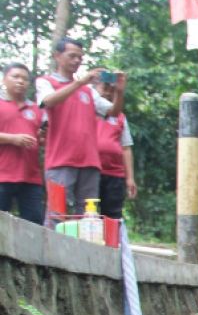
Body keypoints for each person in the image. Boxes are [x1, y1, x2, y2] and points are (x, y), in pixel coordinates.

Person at [36, 37, 124, 215]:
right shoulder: (46, 82)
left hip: (90, 162)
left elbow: (113, 112)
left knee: (86, 216)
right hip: (60, 161)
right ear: (57, 56)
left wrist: (120, 92)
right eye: (72, 56)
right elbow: (47, 101)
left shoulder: (88, 91)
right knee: (57, 213)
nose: (77, 61)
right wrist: (79, 83)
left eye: (80, 57)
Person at [0, 63, 47, 225]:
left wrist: (41, 139)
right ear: (4, 79)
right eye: (15, 77)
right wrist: (12, 139)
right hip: (3, 174)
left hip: (30, 176)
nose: (20, 81)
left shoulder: (35, 109)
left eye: (25, 79)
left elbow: (40, 138)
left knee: (34, 223)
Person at [95, 78, 136, 219]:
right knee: (89, 213)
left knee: (112, 215)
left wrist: (130, 178)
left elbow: (126, 148)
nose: (107, 93)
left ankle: (112, 241)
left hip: (115, 174)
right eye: (104, 88)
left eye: (111, 90)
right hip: (92, 171)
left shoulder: (120, 117)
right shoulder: (88, 112)